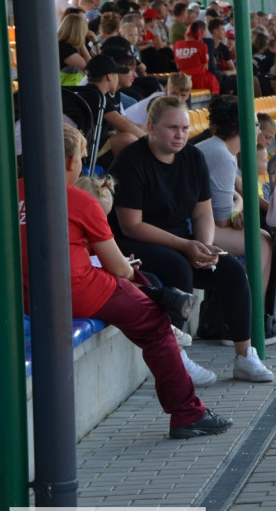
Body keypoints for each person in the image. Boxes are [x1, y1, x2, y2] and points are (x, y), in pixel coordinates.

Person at [21, 125, 232, 438]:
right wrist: (128, 269)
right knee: (155, 322)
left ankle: (159, 296)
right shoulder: (79, 200)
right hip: (79, 291)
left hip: (26, 295)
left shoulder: (12, 192)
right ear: (69, 162)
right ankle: (187, 412)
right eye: (80, 158)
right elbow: (118, 269)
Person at [109, 95, 275, 383]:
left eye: (185, 128)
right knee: (178, 267)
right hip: (133, 242)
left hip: (180, 236)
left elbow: (202, 213)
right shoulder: (131, 161)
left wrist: (206, 245)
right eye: (172, 128)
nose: (180, 135)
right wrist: (186, 246)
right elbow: (132, 225)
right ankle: (177, 359)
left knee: (232, 271)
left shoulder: (193, 157)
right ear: (150, 126)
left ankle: (245, 356)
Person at [194, 96, 273, 305]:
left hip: (197, 220)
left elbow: (240, 192)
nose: (258, 129)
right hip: (195, 226)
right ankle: (242, 317)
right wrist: (238, 208)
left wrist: (238, 206)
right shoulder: (222, 156)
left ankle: (246, 312)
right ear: (242, 126)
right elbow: (222, 221)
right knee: (262, 244)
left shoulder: (218, 147)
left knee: (263, 236)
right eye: (256, 124)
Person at [174, 20, 220, 94]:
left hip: (182, 79)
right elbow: (206, 67)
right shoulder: (202, 46)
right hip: (200, 80)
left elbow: (177, 65)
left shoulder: (177, 45)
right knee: (214, 81)